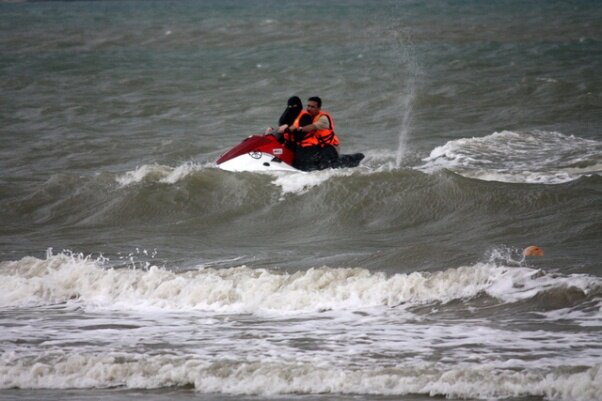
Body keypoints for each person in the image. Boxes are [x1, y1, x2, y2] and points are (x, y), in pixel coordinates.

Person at [287, 96, 340, 171]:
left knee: (324, 167)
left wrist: (300, 129)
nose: (309, 109)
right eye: (308, 106)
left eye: (312, 107)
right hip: (319, 147)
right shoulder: (307, 117)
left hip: (330, 147)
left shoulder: (323, 118)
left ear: (318, 108)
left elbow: (313, 126)